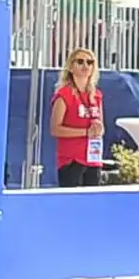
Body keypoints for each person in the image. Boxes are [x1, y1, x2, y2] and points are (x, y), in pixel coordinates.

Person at [51, 48, 105, 188]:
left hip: (93, 158)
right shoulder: (64, 94)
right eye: (80, 62)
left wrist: (98, 130)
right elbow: (55, 129)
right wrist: (85, 132)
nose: (85, 66)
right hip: (72, 159)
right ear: (70, 67)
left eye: (90, 62)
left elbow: (100, 127)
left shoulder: (96, 95)